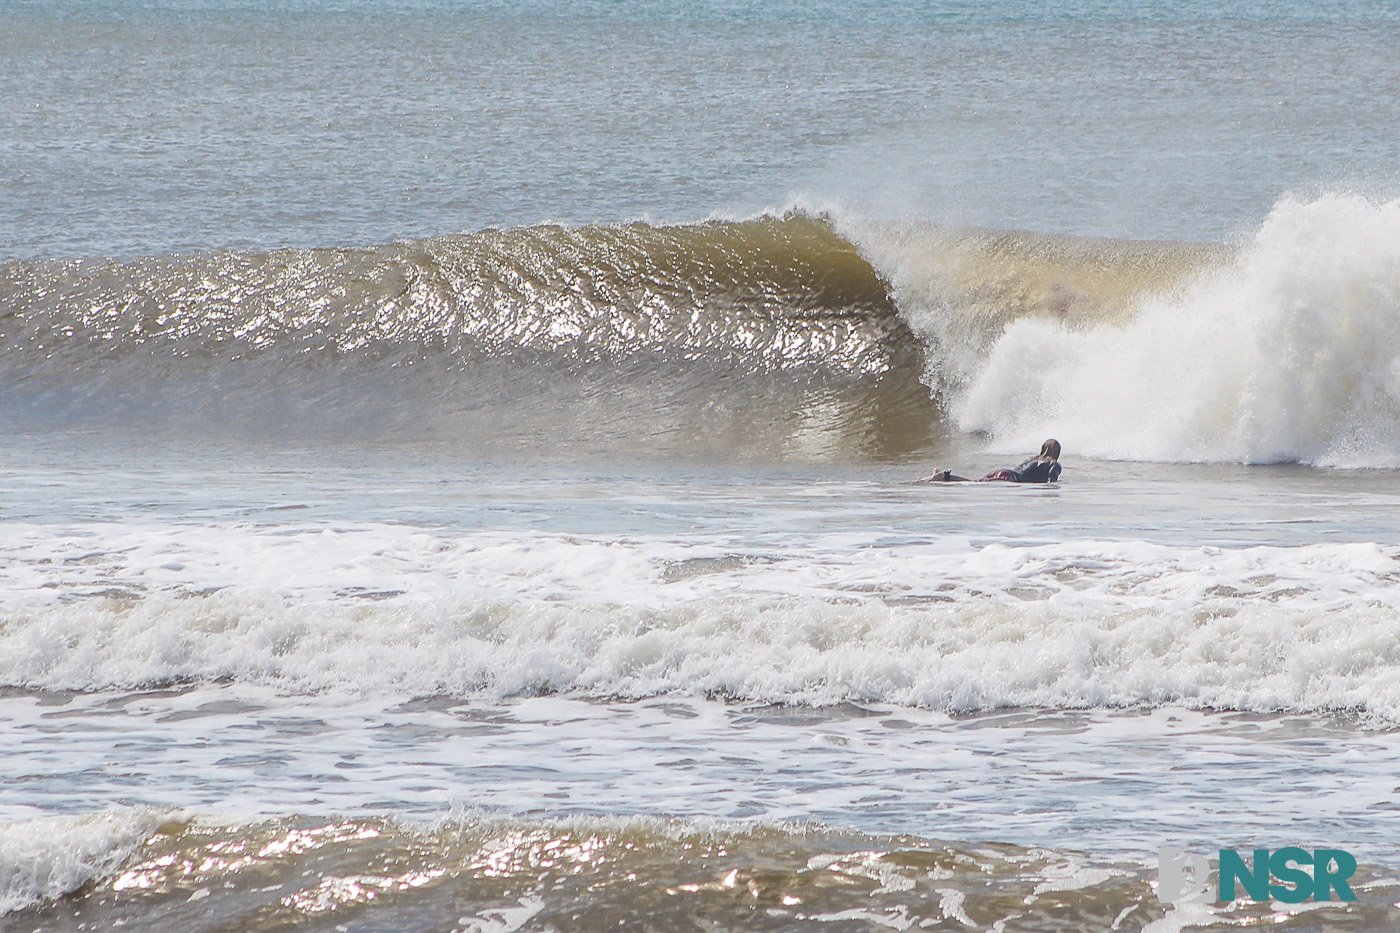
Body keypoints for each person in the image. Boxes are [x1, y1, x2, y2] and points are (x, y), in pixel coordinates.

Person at [920, 439, 1062, 484]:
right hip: (1010, 479)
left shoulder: (1031, 459)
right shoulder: (1053, 464)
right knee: (974, 483)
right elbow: (1052, 481)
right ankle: (942, 476)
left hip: (1005, 473)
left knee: (975, 482)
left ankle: (944, 476)